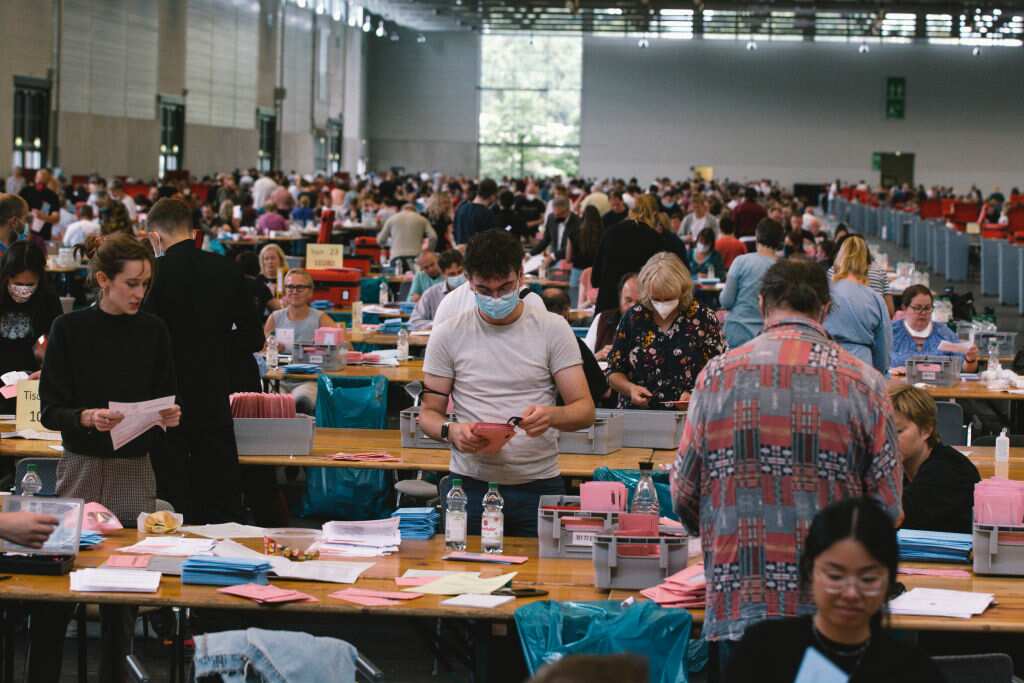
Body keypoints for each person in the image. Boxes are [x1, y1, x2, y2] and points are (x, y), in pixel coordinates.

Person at [673, 258, 902, 658]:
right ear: (826, 310)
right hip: (833, 611)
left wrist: (716, 526)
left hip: (740, 597)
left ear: (761, 304)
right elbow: (887, 507)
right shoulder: (865, 383)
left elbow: (684, 490)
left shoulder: (716, 376)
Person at [35, 233, 181, 683]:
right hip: (80, 465)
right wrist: (86, 416)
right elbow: (49, 411)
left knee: (125, 591)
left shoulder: (154, 330)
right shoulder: (69, 329)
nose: (140, 293)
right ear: (103, 280)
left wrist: (169, 415)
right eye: (131, 284)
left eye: (145, 284)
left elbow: (165, 394)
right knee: (58, 587)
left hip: (135, 468)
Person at [419, 229, 594, 536]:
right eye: (485, 290)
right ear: (468, 282)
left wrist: (553, 416)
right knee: (465, 576)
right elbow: (428, 414)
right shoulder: (448, 333)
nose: (496, 298)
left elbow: (584, 410)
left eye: (505, 287)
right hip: (470, 486)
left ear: (520, 278)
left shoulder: (552, 329)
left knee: (547, 579)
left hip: (539, 485)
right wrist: (451, 431)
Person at [724, 498, 942, 683]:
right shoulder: (762, 650)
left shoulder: (914, 670)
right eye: (835, 576)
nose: (850, 593)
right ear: (810, 571)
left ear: (889, 580)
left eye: (868, 578)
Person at [143, 198, 264, 523]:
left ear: (155, 236)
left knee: (173, 491)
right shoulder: (226, 268)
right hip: (215, 390)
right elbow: (255, 338)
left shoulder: (152, 275)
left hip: (167, 397)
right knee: (219, 488)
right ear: (194, 232)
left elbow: (144, 340)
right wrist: (216, 347)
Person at [607, 253, 724, 410]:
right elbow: (613, 370)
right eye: (656, 298)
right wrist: (630, 389)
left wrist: (696, 393)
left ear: (682, 292)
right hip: (638, 416)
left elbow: (719, 370)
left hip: (691, 416)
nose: (662, 304)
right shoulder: (633, 318)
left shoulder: (703, 318)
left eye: (669, 299)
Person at [890, 385, 980, 533]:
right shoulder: (902, 467)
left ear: (926, 429)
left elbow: (892, 518)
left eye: (898, 431)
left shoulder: (948, 471)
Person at [591, 194, 686, 312]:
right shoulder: (655, 239)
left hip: (607, 308)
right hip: (639, 310)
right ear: (655, 214)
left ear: (631, 211)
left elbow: (595, 279)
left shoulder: (610, 233)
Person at [265, 269, 341, 414]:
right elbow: (261, 350)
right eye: (290, 287)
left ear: (310, 292)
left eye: (300, 287)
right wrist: (270, 346)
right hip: (278, 380)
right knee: (272, 403)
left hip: (308, 381)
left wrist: (323, 345)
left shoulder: (321, 318)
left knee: (300, 401)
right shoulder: (275, 318)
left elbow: (344, 347)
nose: (294, 291)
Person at [0, 242, 62, 413]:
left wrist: (47, 367)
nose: (23, 290)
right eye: (17, 283)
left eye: (30, 285)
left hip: (33, 385)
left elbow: (58, 343)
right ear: (6, 277)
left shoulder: (48, 300)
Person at [824, 236, 892, 374]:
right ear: (867, 264)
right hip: (862, 365)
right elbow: (883, 345)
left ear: (839, 259)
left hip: (827, 359)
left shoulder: (824, 293)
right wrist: (880, 372)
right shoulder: (875, 299)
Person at [719, 218, 784, 348]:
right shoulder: (784, 268)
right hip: (769, 336)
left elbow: (726, 301)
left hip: (736, 330)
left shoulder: (740, 262)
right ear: (779, 241)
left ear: (757, 236)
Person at [541, 287, 610, 406]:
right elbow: (603, 391)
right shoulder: (572, 343)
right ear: (567, 312)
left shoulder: (527, 341)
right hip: (567, 416)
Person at [890, 285, 978, 372]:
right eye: (917, 308)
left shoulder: (943, 332)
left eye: (927, 308)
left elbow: (966, 369)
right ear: (904, 308)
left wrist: (970, 359)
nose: (923, 313)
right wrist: (891, 371)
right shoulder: (890, 332)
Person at [584, 272, 639, 361]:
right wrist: (599, 356)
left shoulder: (655, 324)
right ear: (620, 297)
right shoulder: (603, 319)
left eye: (639, 302)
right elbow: (584, 361)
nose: (633, 307)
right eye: (628, 300)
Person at [409, 249, 464, 331]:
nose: (457, 276)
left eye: (460, 272)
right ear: (443, 273)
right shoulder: (431, 294)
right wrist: (437, 324)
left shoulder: (475, 291)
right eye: (451, 274)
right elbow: (414, 322)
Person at [379, 203, 437, 270]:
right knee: (415, 279)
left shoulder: (392, 219)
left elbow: (380, 240)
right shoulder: (422, 219)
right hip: (416, 256)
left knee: (398, 279)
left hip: (396, 256)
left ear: (401, 210)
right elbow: (433, 237)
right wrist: (429, 251)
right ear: (415, 211)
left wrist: (390, 244)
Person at [567, 205, 604, 307]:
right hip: (596, 274)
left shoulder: (573, 233)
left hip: (577, 273)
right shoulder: (604, 234)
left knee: (575, 307)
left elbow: (568, 258)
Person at [19, 169, 60, 243]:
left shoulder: (52, 196)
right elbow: (17, 211)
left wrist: (42, 216)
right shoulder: (25, 191)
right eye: (38, 178)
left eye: (43, 179)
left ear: (48, 180)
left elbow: (56, 218)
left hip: (43, 235)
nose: (40, 182)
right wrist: (29, 215)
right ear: (35, 178)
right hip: (25, 230)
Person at [453, 178, 498, 245]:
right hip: (476, 253)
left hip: (460, 251)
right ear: (492, 196)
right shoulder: (487, 214)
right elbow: (490, 240)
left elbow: (455, 231)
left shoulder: (461, 208)